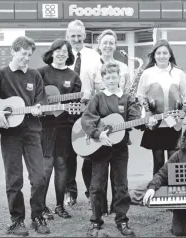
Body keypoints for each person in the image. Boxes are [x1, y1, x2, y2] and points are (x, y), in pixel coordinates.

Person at [0, 36, 50, 236]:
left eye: (29, 55)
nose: (26, 58)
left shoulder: (35, 76)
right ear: (13, 51)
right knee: (14, 179)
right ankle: (17, 221)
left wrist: (40, 108)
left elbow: (41, 100)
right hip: (10, 135)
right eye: (23, 54)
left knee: (39, 178)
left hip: (32, 133)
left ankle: (38, 217)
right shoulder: (0, 75)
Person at [81, 62, 153, 237]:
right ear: (103, 79)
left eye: (114, 77)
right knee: (97, 186)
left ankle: (122, 220)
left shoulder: (127, 98)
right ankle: (96, 222)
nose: (111, 80)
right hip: (100, 149)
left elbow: (136, 118)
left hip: (120, 148)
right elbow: (86, 120)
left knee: (121, 185)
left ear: (119, 78)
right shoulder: (98, 98)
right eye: (107, 77)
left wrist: (147, 122)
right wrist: (98, 134)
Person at [37, 39, 82, 220]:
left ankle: (59, 205)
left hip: (64, 126)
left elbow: (77, 105)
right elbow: (33, 99)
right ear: (52, 52)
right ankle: (41, 206)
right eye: (58, 50)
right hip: (44, 127)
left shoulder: (74, 77)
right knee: (46, 167)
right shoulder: (40, 73)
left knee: (62, 166)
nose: (62, 53)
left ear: (69, 55)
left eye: (65, 51)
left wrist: (69, 107)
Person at [136, 39, 186, 176]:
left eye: (165, 53)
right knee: (158, 160)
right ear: (154, 55)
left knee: (174, 160)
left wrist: (183, 112)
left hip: (174, 123)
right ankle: (156, 190)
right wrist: (148, 113)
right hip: (156, 124)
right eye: (158, 53)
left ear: (170, 55)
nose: (161, 56)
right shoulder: (147, 73)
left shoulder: (179, 73)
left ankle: (174, 190)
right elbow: (140, 96)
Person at [65, 19, 101, 207]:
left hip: (88, 111)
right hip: (66, 112)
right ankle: (70, 192)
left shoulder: (94, 56)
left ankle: (90, 191)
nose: (76, 39)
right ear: (67, 36)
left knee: (89, 153)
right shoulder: (61, 54)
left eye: (79, 35)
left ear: (85, 36)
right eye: (73, 36)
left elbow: (99, 84)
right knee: (68, 154)